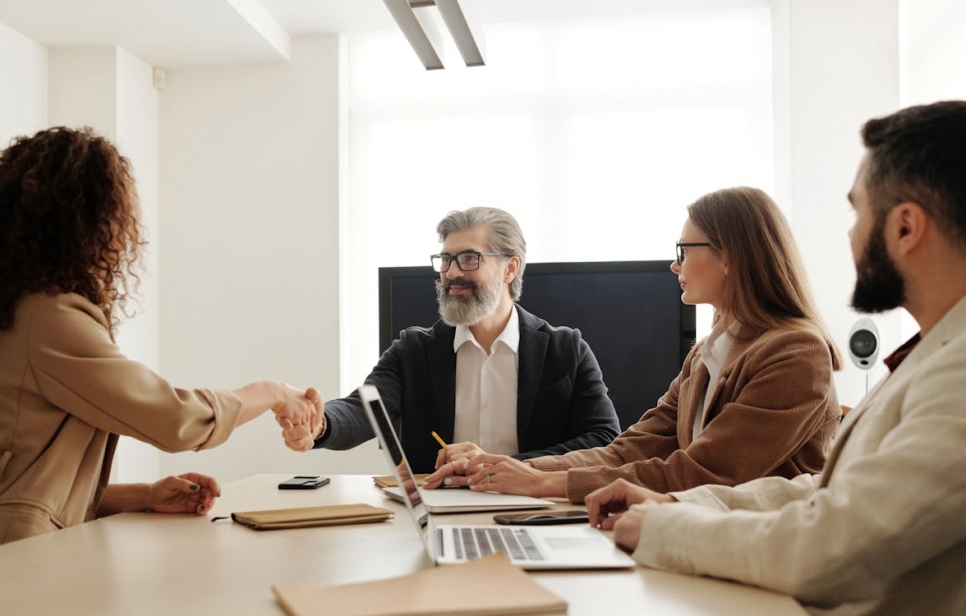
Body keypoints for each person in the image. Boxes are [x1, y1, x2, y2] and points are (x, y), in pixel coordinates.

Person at [585, 101, 966, 616]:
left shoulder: (957, 372)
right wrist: (679, 505)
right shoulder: (936, 353)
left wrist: (667, 527)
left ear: (905, 227)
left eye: (857, 213)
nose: (850, 236)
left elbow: (836, 545)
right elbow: (823, 491)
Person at [0, 126, 322, 544]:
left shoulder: (21, 309)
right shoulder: (48, 317)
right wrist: (272, 391)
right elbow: (175, 419)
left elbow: (26, 479)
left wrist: (143, 495)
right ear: (87, 220)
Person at [424, 187, 843, 503]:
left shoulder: (796, 353)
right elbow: (630, 449)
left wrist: (545, 482)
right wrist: (514, 469)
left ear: (730, 256)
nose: (674, 264)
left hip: (757, 559)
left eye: (684, 249)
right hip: (697, 536)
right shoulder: (705, 355)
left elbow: (706, 472)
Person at [282, 207, 621, 473]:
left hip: (535, 507)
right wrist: (319, 423)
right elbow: (364, 411)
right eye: (445, 259)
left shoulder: (567, 350)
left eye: (469, 258)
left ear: (509, 268)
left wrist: (505, 466)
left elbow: (604, 440)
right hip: (440, 509)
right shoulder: (412, 351)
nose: (452, 273)